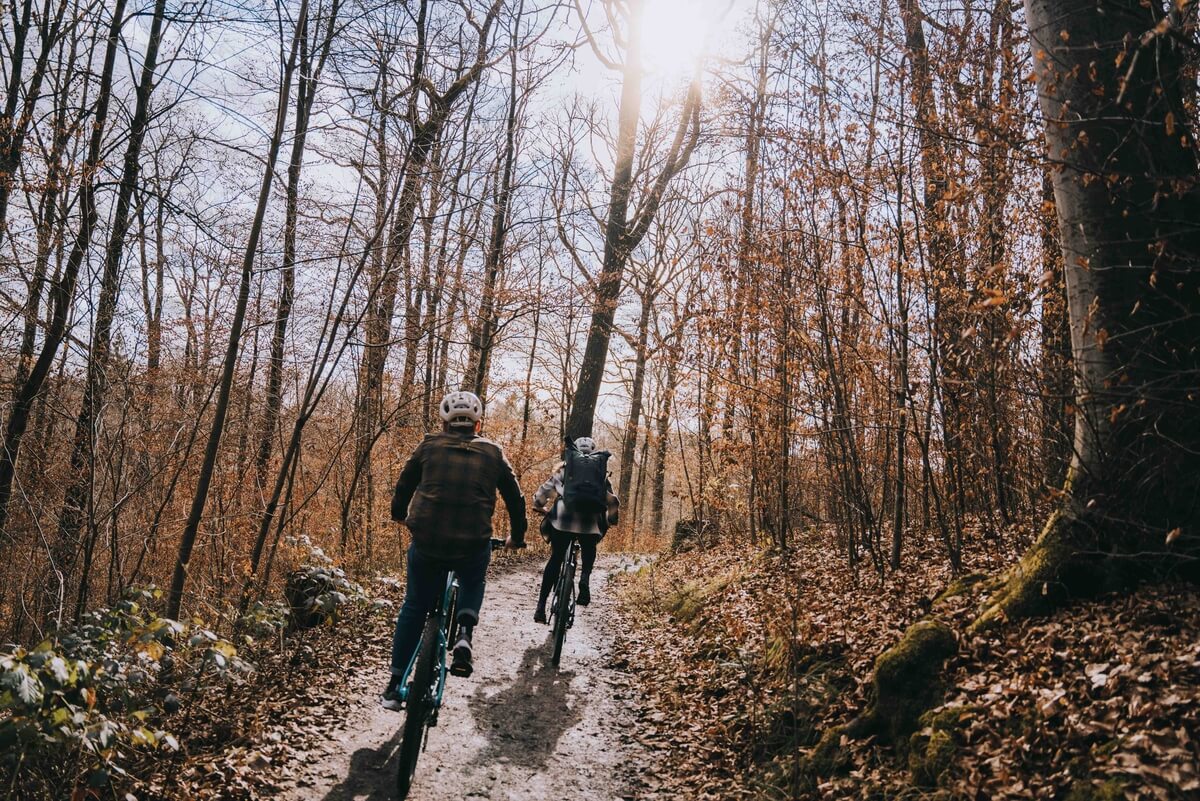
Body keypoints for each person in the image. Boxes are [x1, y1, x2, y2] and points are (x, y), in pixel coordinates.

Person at [383, 391, 527, 710]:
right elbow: (516, 500)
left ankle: (394, 685)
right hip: (472, 541)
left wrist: (398, 514)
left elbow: (404, 484)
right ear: (478, 424)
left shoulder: (429, 445)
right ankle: (464, 631)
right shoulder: (493, 452)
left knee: (414, 606)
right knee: (474, 578)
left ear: (444, 423)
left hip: (427, 540)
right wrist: (517, 537)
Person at [533, 436, 619, 622]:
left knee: (556, 559)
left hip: (563, 520)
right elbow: (612, 500)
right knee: (589, 546)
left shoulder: (565, 468)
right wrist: (611, 519)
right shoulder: (599, 472)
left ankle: (540, 607)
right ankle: (584, 579)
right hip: (589, 524)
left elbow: (544, 492)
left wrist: (539, 505)